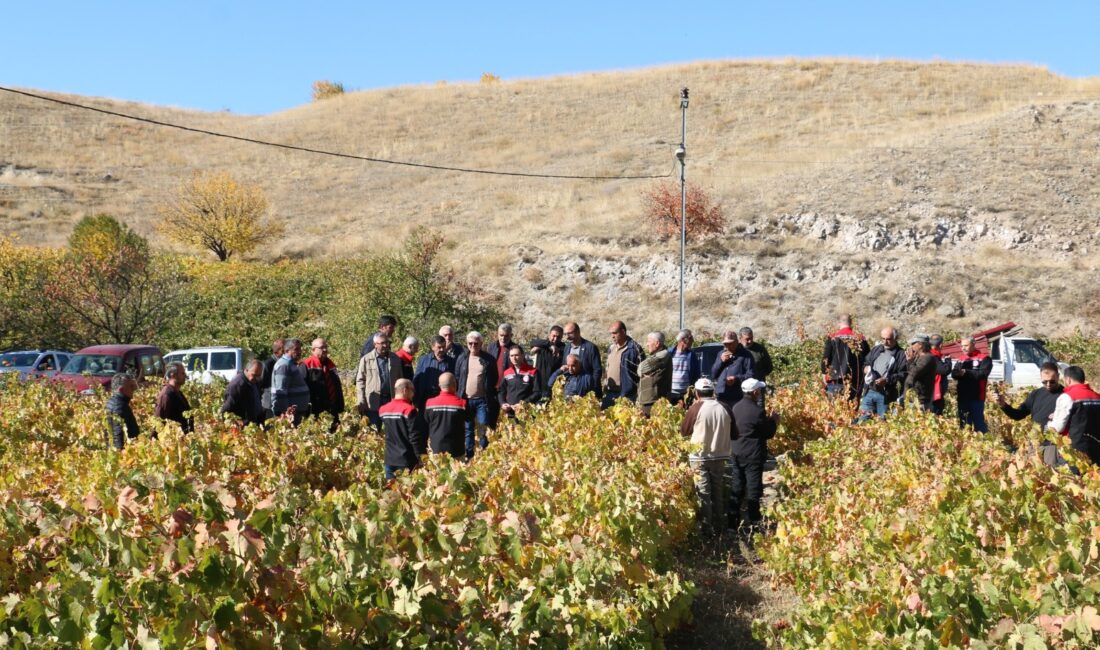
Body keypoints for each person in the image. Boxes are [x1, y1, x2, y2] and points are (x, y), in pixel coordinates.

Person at [679, 377, 733, 538]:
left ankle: (706, 529)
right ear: (712, 391)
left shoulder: (696, 409)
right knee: (717, 491)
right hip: (720, 455)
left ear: (697, 393)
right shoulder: (725, 407)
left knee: (703, 494)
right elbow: (734, 432)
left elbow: (684, 431)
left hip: (699, 457)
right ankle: (720, 526)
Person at [730, 378, 778, 535]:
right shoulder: (757, 411)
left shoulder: (736, 408)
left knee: (737, 486)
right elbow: (768, 432)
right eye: (759, 391)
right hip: (752, 455)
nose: (760, 394)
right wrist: (774, 421)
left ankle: (732, 522)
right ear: (755, 392)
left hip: (736, 452)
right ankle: (755, 522)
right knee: (753, 488)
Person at [455, 331, 499, 460]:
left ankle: (483, 455)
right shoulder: (462, 358)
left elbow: (494, 377)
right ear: (467, 344)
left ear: (481, 343)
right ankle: (469, 455)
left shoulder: (488, 359)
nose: (473, 345)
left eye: (476, 343)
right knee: (468, 429)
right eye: (470, 343)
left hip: (482, 400)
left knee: (483, 427)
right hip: (466, 399)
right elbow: (457, 376)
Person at [1046, 366, 1100, 466]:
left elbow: (1058, 427)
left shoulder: (1067, 397)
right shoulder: (1097, 397)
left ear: (1068, 379)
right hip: (1096, 449)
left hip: (1075, 452)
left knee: (1073, 480)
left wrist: (1048, 425)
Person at [379, 378, 427, 480]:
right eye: (412, 390)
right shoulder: (409, 410)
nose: (413, 394)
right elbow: (414, 437)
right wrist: (421, 457)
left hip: (389, 459)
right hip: (406, 461)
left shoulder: (383, 410)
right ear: (405, 390)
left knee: (391, 493)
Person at [355, 334, 405, 429]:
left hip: (391, 401)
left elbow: (400, 380)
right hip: (373, 402)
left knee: (391, 430)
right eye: (382, 343)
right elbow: (360, 381)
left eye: (387, 342)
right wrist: (361, 400)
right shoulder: (366, 359)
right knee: (374, 430)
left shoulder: (395, 359)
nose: (385, 345)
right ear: (375, 345)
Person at [997, 362, 1063, 428]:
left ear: (1058, 376)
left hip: (1054, 436)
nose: (1048, 384)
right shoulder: (1036, 394)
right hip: (1036, 437)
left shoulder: (1065, 396)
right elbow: (1018, 415)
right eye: (1044, 382)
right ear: (1041, 377)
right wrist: (1003, 405)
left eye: (1052, 381)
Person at [823, 314, 870, 401]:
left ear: (839, 323)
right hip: (855, 381)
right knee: (852, 411)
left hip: (835, 380)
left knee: (834, 412)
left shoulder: (833, 337)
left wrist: (824, 375)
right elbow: (868, 360)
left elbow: (825, 359)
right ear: (851, 323)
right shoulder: (861, 339)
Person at [951, 337, 993, 433]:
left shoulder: (984, 358)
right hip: (962, 397)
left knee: (979, 424)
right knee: (964, 425)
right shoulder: (961, 359)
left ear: (974, 344)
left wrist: (965, 372)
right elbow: (954, 373)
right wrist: (960, 373)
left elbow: (982, 374)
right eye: (962, 346)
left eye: (966, 345)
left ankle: (985, 446)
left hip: (977, 397)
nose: (963, 348)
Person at [303, 337, 345, 433]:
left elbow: (337, 386)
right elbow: (304, 389)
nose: (325, 350)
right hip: (315, 411)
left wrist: (339, 405)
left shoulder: (330, 364)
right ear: (313, 350)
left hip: (332, 409)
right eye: (322, 347)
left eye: (326, 347)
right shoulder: (306, 365)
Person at [424, 373, 468, 459]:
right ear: (454, 385)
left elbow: (426, 421)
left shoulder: (429, 403)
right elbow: (469, 420)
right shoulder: (462, 404)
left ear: (439, 386)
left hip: (436, 449)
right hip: (456, 450)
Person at [602, 320, 643, 408]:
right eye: (611, 333)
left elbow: (642, 372)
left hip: (626, 394)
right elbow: (607, 368)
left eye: (615, 333)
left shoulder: (634, 348)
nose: (612, 336)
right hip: (610, 392)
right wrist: (605, 384)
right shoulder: (611, 348)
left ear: (623, 331)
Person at [712, 329, 756, 406]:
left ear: (736, 342)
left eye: (730, 343)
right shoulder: (721, 354)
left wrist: (736, 379)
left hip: (736, 397)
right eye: (725, 344)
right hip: (721, 395)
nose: (728, 346)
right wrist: (721, 362)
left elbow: (751, 375)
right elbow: (713, 374)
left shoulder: (746, 355)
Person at [272, 338, 310, 425]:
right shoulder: (284, 365)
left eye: (300, 349)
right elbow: (281, 391)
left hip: (296, 412)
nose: (299, 352)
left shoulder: (290, 364)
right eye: (296, 349)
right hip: (290, 414)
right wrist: (285, 412)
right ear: (287, 350)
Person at [413, 336, 456, 408]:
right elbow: (417, 378)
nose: (442, 349)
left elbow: (455, 379)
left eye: (443, 347)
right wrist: (415, 398)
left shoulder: (451, 362)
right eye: (439, 347)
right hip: (424, 398)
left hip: (443, 399)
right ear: (433, 347)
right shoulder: (424, 360)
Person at [220, 359, 266, 427]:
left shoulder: (254, 382)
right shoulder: (237, 385)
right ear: (246, 370)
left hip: (254, 426)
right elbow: (226, 411)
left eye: (258, 375)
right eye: (254, 375)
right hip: (243, 429)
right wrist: (238, 424)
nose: (256, 378)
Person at [499, 345, 542, 417]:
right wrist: (503, 403)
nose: (514, 358)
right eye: (512, 356)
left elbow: (537, 393)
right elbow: (501, 391)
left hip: (526, 412)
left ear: (522, 355)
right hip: (510, 412)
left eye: (516, 355)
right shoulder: (507, 372)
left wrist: (523, 403)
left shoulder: (533, 371)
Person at [563, 321, 603, 397]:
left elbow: (597, 370)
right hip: (571, 391)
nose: (567, 337)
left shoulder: (590, 347)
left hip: (587, 390)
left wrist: (592, 388)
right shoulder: (567, 348)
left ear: (578, 332)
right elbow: (565, 368)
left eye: (570, 333)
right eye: (565, 334)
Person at [637, 332, 673, 416]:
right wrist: (643, 373)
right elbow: (640, 371)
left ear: (657, 343)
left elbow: (642, 368)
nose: (647, 344)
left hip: (654, 401)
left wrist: (644, 373)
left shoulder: (662, 355)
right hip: (649, 400)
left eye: (649, 341)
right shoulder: (655, 355)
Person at [155, 361, 193, 434]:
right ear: (173, 375)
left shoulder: (178, 392)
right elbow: (159, 420)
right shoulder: (167, 394)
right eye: (182, 373)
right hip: (174, 440)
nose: (185, 376)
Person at [530, 325, 566, 398]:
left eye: (558, 337)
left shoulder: (563, 349)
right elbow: (532, 342)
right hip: (539, 384)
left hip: (554, 385)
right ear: (549, 335)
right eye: (553, 336)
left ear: (561, 337)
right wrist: (549, 345)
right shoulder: (542, 345)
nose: (555, 339)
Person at [106, 373, 139, 450]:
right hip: (124, 453)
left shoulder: (112, 402)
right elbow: (118, 433)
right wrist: (121, 454)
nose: (134, 389)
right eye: (131, 386)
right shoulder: (119, 407)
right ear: (121, 390)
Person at [903, 336, 936, 411]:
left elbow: (914, 373)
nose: (911, 346)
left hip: (920, 400)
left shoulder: (927, 358)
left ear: (920, 344)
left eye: (913, 343)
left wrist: (910, 361)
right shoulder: (919, 357)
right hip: (913, 399)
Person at [669, 329, 701, 405]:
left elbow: (697, 374)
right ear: (683, 339)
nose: (692, 340)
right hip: (671, 393)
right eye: (691, 338)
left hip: (686, 393)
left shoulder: (691, 355)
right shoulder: (670, 353)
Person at [486, 323, 516, 389]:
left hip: (508, 388)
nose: (503, 338)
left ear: (511, 335)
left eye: (506, 336)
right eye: (501, 335)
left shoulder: (516, 349)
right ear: (497, 334)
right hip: (492, 387)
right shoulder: (491, 347)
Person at [260, 338, 284, 419]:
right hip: (269, 404)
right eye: (283, 350)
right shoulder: (268, 364)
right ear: (276, 352)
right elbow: (261, 383)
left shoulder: (284, 363)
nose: (286, 352)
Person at [929, 334, 952, 415]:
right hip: (933, 395)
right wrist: (948, 360)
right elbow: (944, 370)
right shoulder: (933, 357)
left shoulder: (929, 356)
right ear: (941, 345)